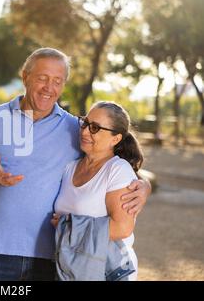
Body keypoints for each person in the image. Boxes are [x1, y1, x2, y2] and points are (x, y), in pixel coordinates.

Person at [0, 47, 151, 281]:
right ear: (25, 76)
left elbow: (107, 161)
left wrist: (143, 185)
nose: (50, 87)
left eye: (57, 81)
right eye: (42, 78)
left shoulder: (74, 128)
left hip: (52, 255)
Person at [52, 101, 143, 280]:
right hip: (69, 270)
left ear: (115, 139)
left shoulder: (117, 169)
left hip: (104, 271)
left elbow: (122, 227)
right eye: (85, 123)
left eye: (95, 128)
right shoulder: (70, 167)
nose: (85, 131)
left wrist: (66, 226)